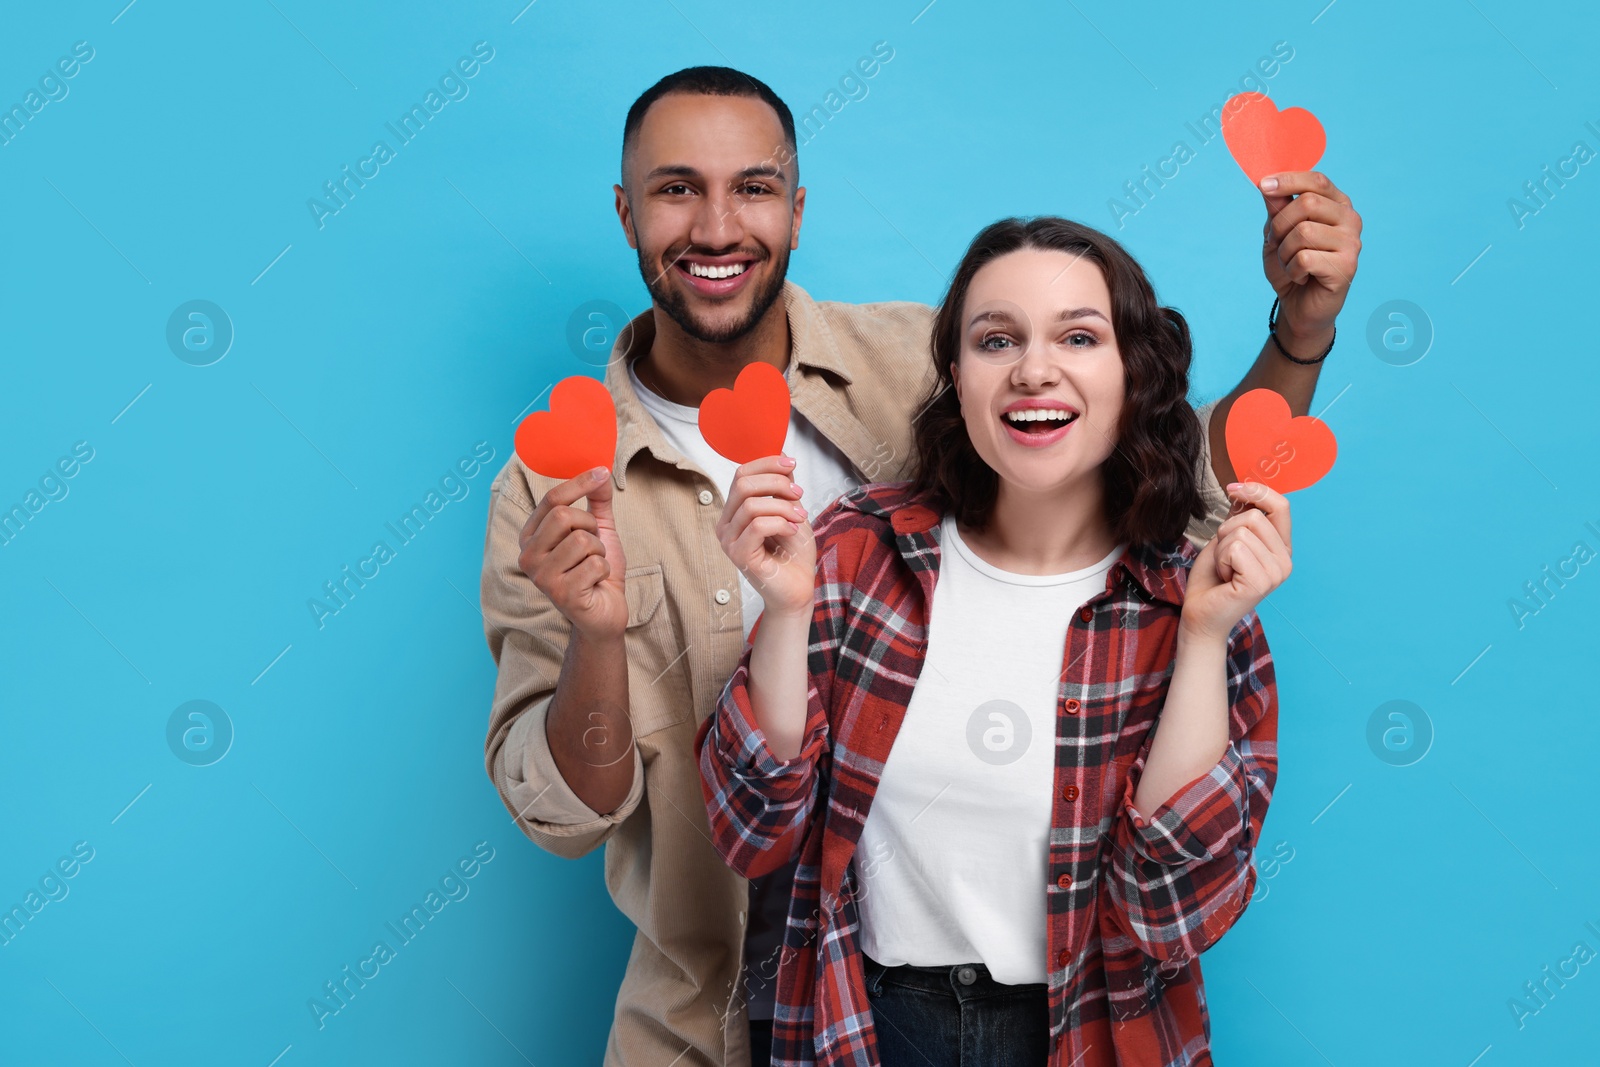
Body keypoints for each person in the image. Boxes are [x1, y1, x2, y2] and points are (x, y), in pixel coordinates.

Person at [479, 65, 1358, 1067]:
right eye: (676, 188)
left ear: (797, 208)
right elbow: (563, 812)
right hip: (724, 1006)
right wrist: (598, 633)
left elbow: (1173, 479)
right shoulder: (557, 489)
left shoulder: (921, 359)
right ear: (626, 211)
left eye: (753, 187)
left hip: (1044, 1000)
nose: (717, 225)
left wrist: (1300, 328)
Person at [697, 216, 1292, 1067]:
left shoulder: (1194, 600)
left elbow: (1171, 913)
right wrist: (786, 609)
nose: (1034, 368)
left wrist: (1200, 638)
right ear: (957, 376)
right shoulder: (859, 553)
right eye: (996, 339)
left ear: (1133, 374)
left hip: (1087, 1033)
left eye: (1079, 336)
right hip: (873, 1026)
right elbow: (751, 833)